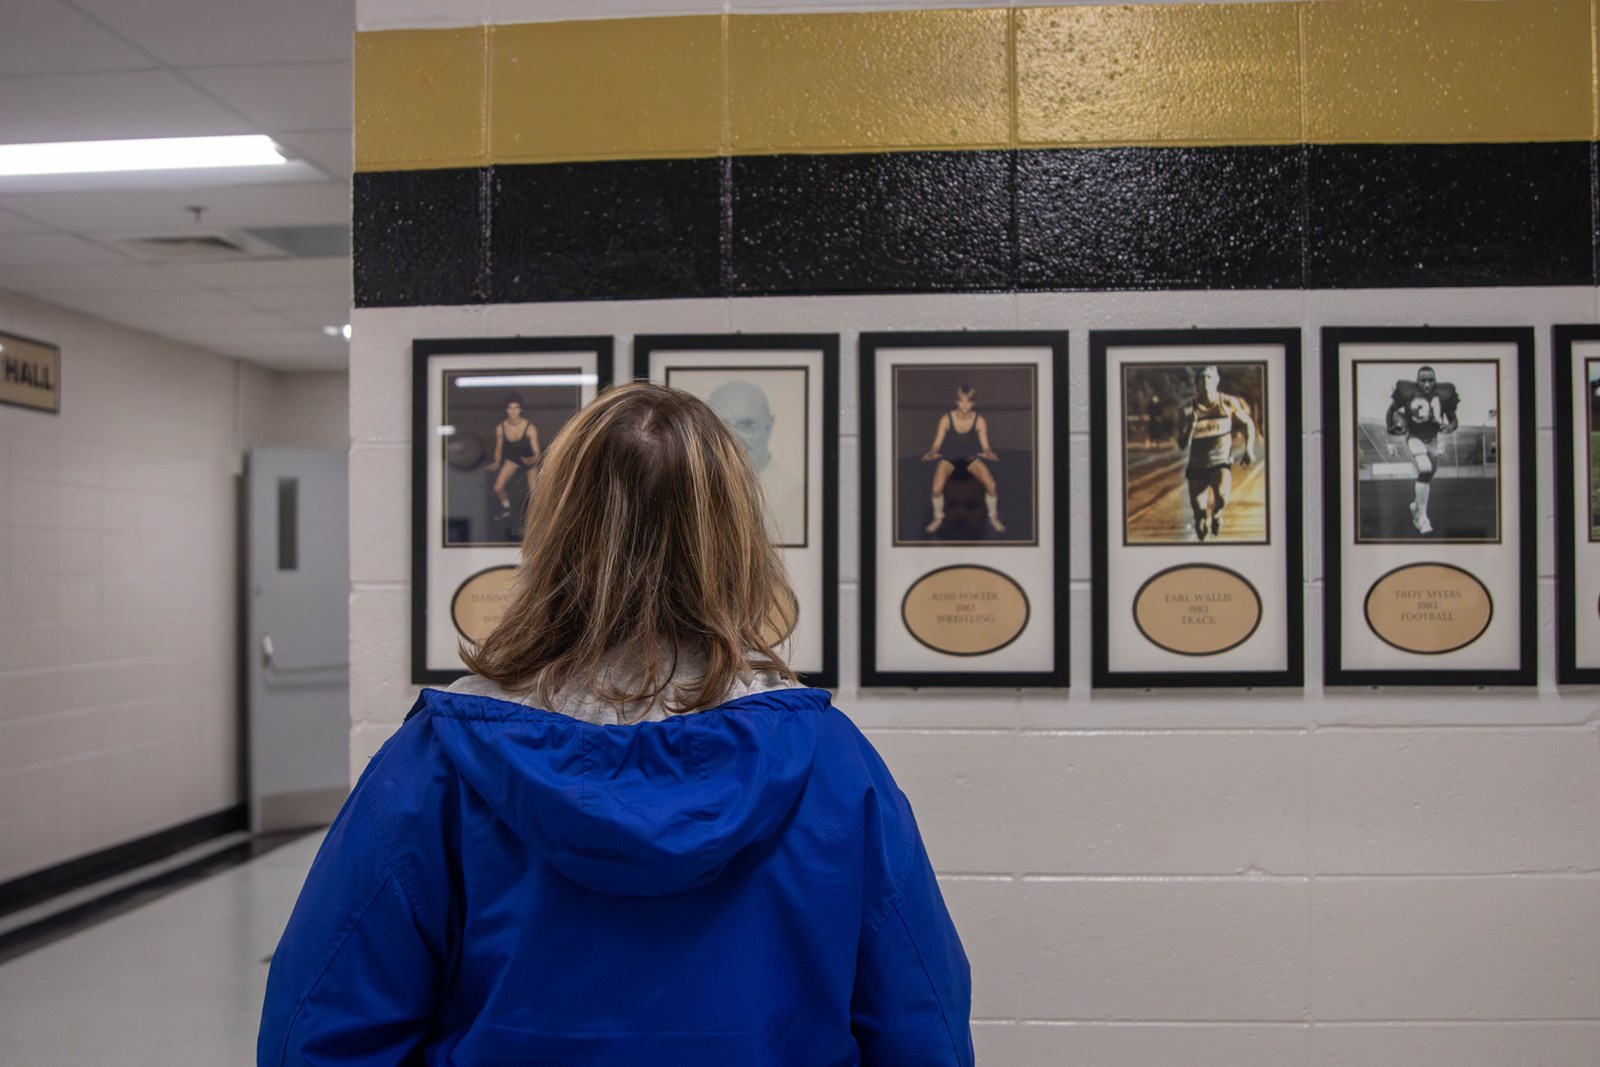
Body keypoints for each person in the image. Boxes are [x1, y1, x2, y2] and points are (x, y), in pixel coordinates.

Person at [258, 382, 973, 1067]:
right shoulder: (832, 766)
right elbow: (921, 1027)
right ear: (736, 541)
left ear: (554, 533)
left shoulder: (434, 766)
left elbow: (321, 1032)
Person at [705, 378, 804, 545]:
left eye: (747, 425)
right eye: (722, 426)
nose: (734, 437)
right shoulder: (691, 492)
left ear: (769, 426)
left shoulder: (795, 497)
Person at [1177, 365, 1257, 541]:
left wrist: (1248, 449)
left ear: (1216, 382)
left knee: (1221, 497)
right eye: (1202, 378)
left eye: (1209, 378)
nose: (1205, 382)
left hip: (1220, 461)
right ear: (1196, 384)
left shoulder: (1227, 403)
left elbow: (1247, 424)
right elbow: (1182, 444)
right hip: (1197, 466)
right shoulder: (1187, 410)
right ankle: (1204, 529)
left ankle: (1218, 513)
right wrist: (1190, 427)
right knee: (1199, 517)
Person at [1385, 365, 1459, 535]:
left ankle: (1416, 505)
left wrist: (1449, 427)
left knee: (1430, 473)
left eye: (1430, 380)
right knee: (1425, 470)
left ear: (1435, 380)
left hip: (1433, 440)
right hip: (1414, 438)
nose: (1427, 384)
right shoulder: (1408, 393)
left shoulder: (1443, 394)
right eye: (1423, 380)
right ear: (1417, 381)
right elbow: (1391, 410)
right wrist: (1390, 426)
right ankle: (1421, 518)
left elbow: (1454, 420)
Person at [922, 384, 1004, 534]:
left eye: (968, 401)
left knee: (991, 485)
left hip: (971, 457)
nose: (965, 405)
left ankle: (993, 517)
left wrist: (988, 452)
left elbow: (985, 446)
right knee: (936, 488)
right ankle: (938, 517)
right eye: (961, 401)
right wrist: (932, 452)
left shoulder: (980, 420)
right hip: (949, 457)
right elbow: (936, 445)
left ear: (973, 403)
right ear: (956, 402)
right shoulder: (946, 419)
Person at [486, 393, 540, 520]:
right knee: (498, 487)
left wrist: (533, 459)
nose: (514, 411)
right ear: (506, 410)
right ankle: (506, 509)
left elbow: (537, 451)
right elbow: (498, 447)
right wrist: (497, 462)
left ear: (521, 409)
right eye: (511, 408)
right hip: (513, 458)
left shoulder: (529, 427)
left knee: (535, 492)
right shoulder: (501, 427)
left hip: (529, 459)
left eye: (516, 407)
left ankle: (537, 516)